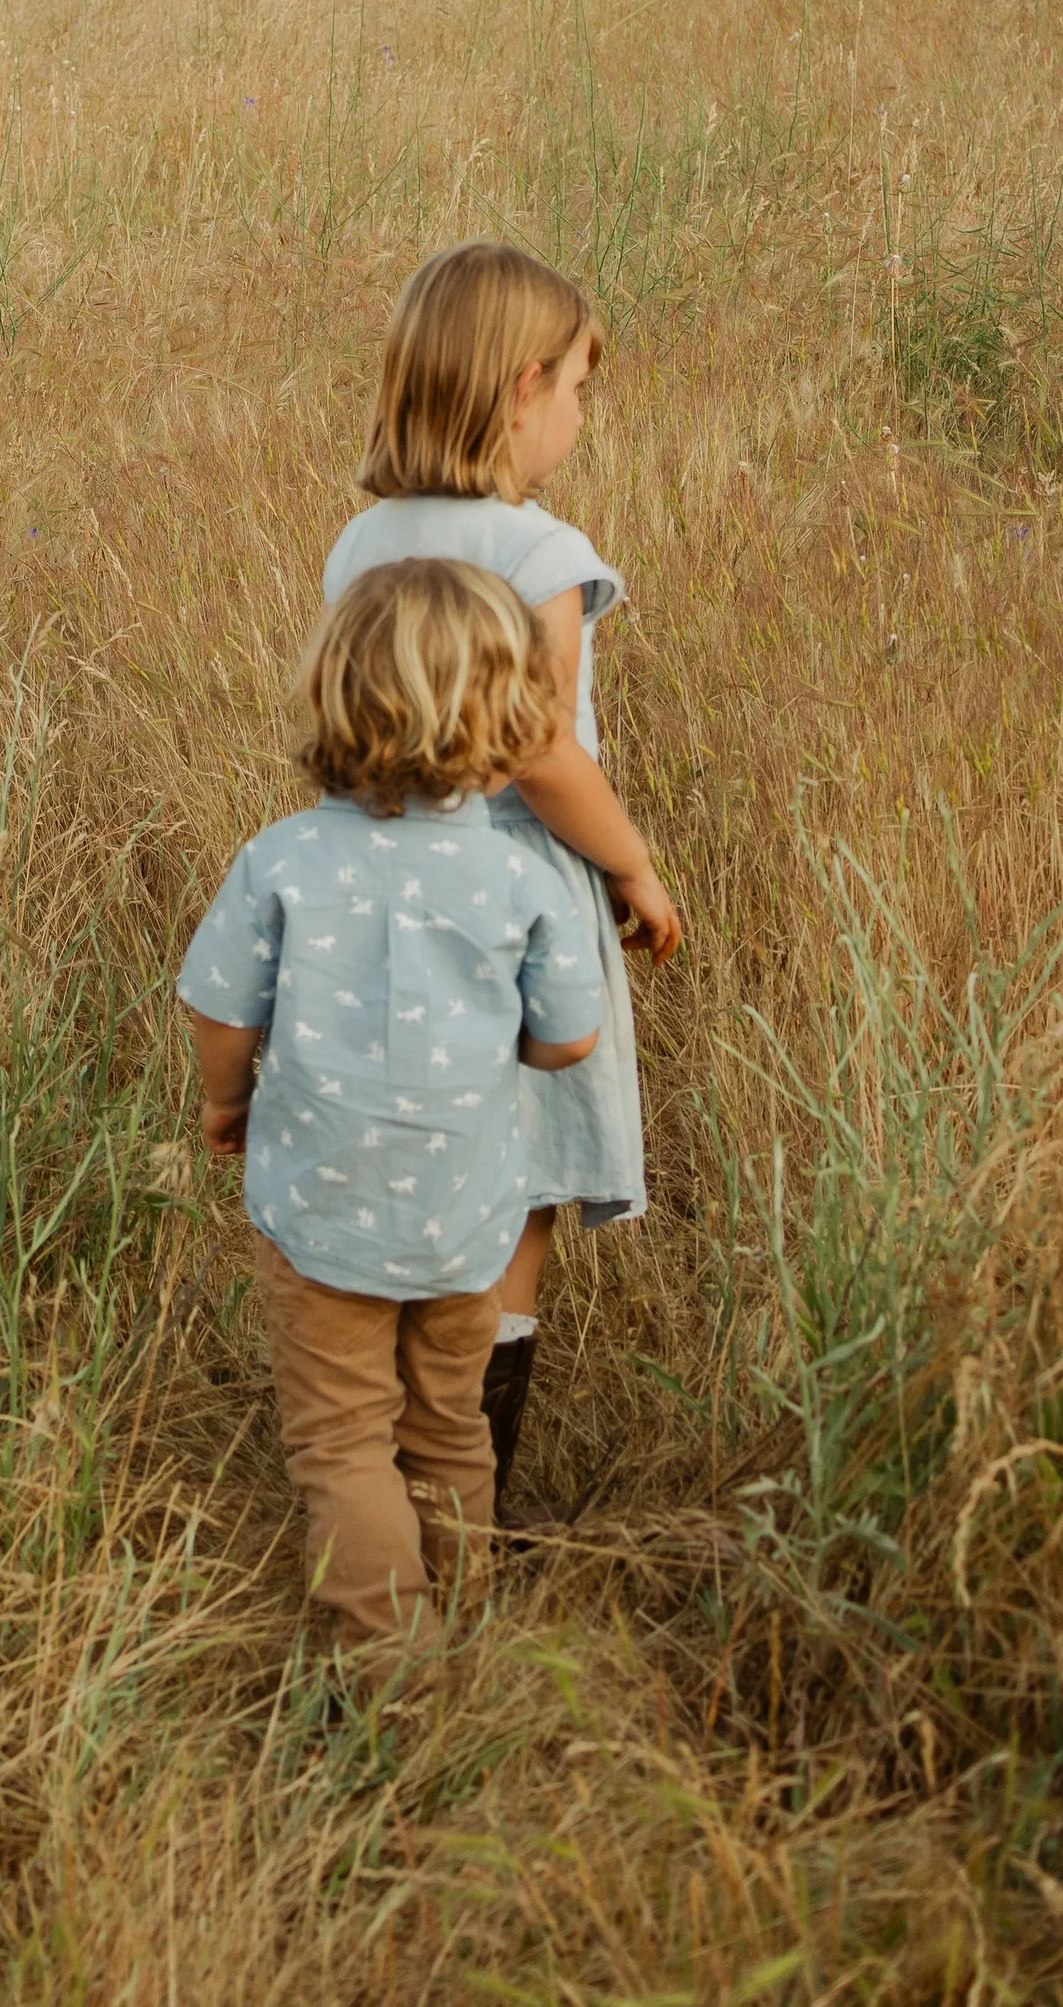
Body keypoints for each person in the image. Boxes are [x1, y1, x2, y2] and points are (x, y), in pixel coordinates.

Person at [178, 557, 604, 1654]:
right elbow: (568, 1041)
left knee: (340, 1444)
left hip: (322, 1221)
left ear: (333, 698)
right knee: (446, 1424)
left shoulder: (281, 859)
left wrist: (227, 1103)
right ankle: (461, 1618)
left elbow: (219, 1011)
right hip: (467, 1219)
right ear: (507, 722)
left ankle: (394, 1677)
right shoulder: (525, 883)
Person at [323, 241, 684, 1518]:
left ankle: (379, 1493)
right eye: (583, 389)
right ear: (523, 389)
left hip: (371, 890)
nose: (584, 417)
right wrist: (634, 866)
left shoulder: (362, 537)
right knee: (515, 1191)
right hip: (506, 904)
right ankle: (458, 1526)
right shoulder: (540, 553)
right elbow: (540, 752)